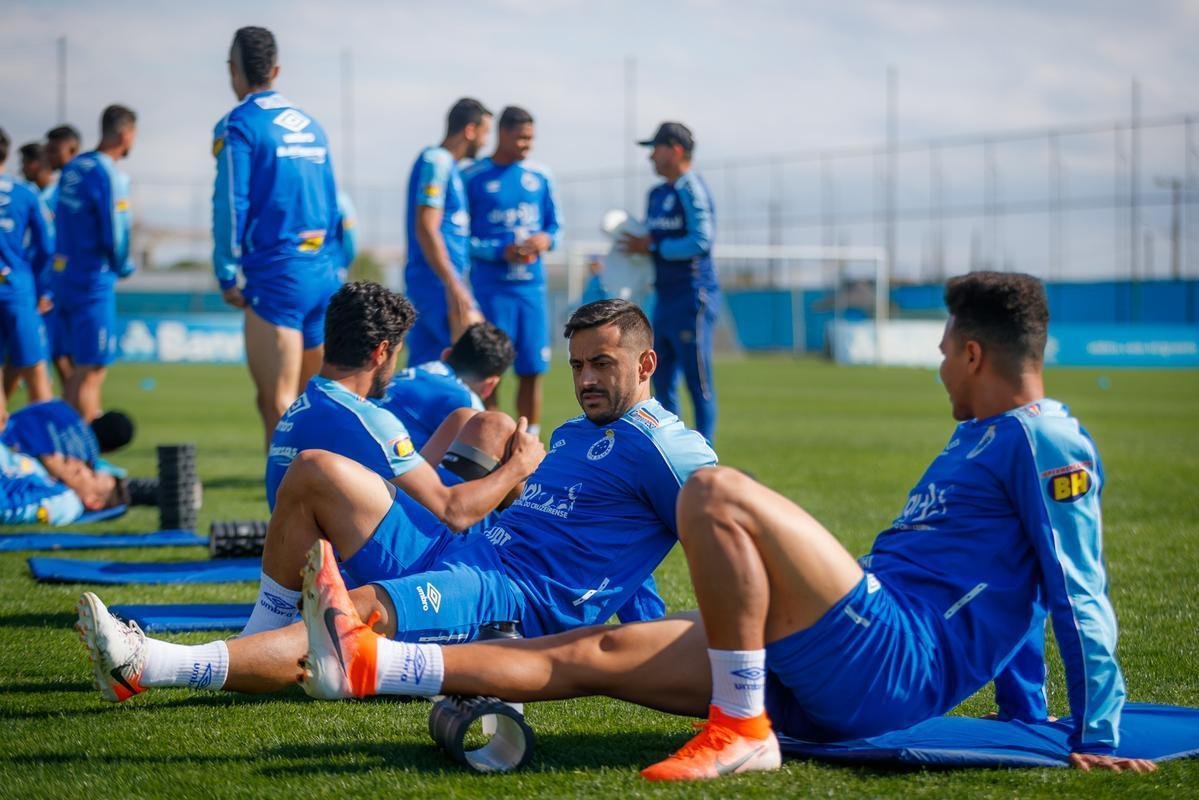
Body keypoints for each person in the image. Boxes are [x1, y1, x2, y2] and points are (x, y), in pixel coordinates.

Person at [288, 272, 1155, 779]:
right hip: (832, 659)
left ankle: (740, 728)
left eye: (941, 351)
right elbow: (1007, 588)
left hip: (888, 655)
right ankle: (370, 661)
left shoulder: (1042, 438)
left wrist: (1091, 734)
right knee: (585, 653)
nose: (936, 367)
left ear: (972, 352)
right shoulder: (976, 442)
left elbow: (1072, 584)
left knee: (716, 494)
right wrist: (1020, 713)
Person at [75, 299, 711, 701]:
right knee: (312, 469)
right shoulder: (577, 431)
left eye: (601, 364)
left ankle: (150, 663)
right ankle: (260, 643)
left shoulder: (670, 449)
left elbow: (713, 542)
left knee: (344, 615)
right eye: (577, 366)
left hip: (505, 597)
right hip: (468, 548)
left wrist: (661, 653)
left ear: (647, 362)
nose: (586, 380)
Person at [264, 282, 534, 538]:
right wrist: (518, 466)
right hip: (369, 564)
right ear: (381, 352)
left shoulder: (302, 406)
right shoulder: (368, 419)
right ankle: (545, 547)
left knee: (466, 419)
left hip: (322, 542)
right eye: (396, 353)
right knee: (497, 429)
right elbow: (452, 513)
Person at [212, 26, 342, 447]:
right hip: (322, 273)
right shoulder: (312, 126)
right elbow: (335, 206)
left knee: (278, 402)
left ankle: (287, 509)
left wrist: (227, 272)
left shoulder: (239, 125)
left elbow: (231, 204)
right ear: (276, 69)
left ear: (234, 71)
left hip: (276, 276)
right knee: (317, 403)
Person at [463, 106, 561, 435]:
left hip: (531, 289)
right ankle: (493, 437)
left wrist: (544, 240)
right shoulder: (472, 177)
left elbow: (555, 229)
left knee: (533, 368)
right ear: (502, 134)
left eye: (530, 138)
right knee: (489, 369)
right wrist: (497, 251)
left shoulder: (541, 176)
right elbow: (460, 238)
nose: (526, 145)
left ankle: (529, 438)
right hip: (490, 290)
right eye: (520, 137)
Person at [622, 122, 719, 443]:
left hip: (692, 295)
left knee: (698, 380)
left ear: (675, 150)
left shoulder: (691, 189)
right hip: (662, 297)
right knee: (658, 379)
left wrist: (652, 247)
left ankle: (704, 459)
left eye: (656, 148)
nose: (651, 156)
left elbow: (701, 241)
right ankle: (668, 449)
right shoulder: (657, 194)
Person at [53, 104, 137, 422]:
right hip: (92, 280)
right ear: (126, 133)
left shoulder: (74, 168)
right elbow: (115, 232)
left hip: (64, 279)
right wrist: (123, 265)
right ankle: (85, 458)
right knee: (91, 369)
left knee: (77, 370)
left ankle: (67, 450)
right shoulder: (108, 173)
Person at [404, 98, 492, 366]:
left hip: (437, 280)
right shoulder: (437, 161)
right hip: (437, 283)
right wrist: (453, 283)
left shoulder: (449, 166)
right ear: (470, 130)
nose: (486, 141)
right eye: (485, 132)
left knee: (427, 366)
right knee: (476, 357)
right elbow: (427, 227)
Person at [378, 321, 514, 451]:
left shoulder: (418, 371)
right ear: (490, 385)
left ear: (446, 354)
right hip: (388, 466)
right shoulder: (466, 402)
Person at [0, 128, 55, 409]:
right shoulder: (25, 194)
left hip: (17, 288)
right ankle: (46, 450)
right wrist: (40, 287)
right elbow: (46, 247)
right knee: (35, 371)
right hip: (16, 288)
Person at [2, 400, 133, 512]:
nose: (76, 465)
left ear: (96, 418)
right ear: (112, 450)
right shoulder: (82, 461)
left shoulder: (63, 408)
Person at [41, 124, 82, 386]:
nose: (49, 155)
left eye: (54, 150)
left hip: (74, 285)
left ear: (71, 149)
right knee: (58, 355)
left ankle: (83, 417)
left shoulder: (80, 185)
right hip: (53, 283)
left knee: (77, 360)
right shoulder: (51, 193)